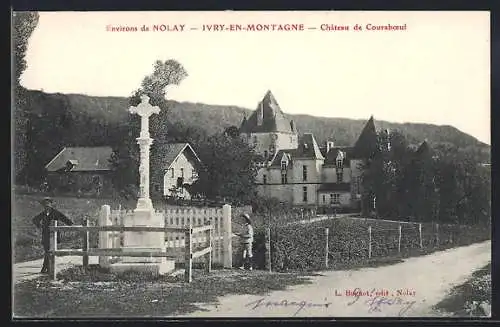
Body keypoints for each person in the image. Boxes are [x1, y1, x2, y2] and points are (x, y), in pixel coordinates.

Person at [32, 197, 74, 273]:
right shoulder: (43, 213)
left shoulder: (55, 212)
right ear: (43, 206)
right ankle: (47, 268)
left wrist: (71, 224)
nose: (47, 206)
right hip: (45, 235)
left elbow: (64, 218)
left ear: (51, 204)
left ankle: (45, 268)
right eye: (45, 205)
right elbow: (35, 219)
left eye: (48, 204)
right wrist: (39, 225)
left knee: (49, 251)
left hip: (53, 235)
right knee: (47, 251)